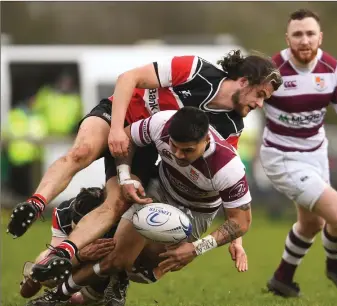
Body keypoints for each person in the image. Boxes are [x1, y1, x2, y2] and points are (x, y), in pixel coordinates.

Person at [8, 50, 282, 281]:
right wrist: (116, 129)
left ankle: (63, 253)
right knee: (81, 152)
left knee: (115, 205)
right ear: (244, 82)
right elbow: (129, 78)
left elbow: (226, 181)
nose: (260, 104)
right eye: (260, 94)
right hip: (120, 115)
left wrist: (236, 239)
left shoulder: (231, 126)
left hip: (143, 145)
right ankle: (36, 203)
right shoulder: (196, 70)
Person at [26, 107, 252, 306]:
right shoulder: (161, 123)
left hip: (196, 212)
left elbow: (241, 221)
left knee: (147, 265)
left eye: (188, 150)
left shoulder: (227, 167)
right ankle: (58, 295)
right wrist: (125, 177)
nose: (178, 155)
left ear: (206, 140)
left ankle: (118, 277)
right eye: (174, 146)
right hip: (158, 191)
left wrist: (196, 248)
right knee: (116, 257)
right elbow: (125, 137)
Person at [259, 9, 337, 297]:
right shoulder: (272, 70)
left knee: (312, 223)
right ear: (287, 38)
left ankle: (282, 278)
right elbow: (247, 105)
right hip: (281, 157)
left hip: (315, 153)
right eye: (298, 34)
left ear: (320, 37)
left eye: (310, 33)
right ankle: (335, 265)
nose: (304, 40)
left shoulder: (332, 69)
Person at [20, 187, 115, 305]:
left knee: (80, 300)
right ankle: (34, 276)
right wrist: (80, 256)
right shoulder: (63, 213)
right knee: (47, 263)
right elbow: (55, 257)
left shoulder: (114, 218)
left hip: (103, 268)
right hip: (75, 260)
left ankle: (65, 294)